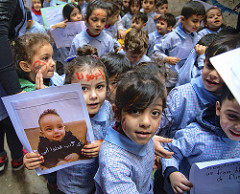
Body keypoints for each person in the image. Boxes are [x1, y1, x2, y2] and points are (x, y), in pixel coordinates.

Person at [24, 50, 113, 193]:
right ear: (68, 89)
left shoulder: (108, 109)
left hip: (100, 183)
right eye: (83, 88)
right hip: (71, 186)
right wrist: (30, 158)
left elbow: (118, 137)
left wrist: (104, 144)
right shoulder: (58, 114)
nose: (94, 96)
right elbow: (40, 145)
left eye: (99, 86)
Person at [94, 69, 166, 193]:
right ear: (117, 113)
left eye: (155, 113)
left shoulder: (138, 134)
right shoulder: (113, 164)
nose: (146, 122)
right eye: (135, 111)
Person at [161, 84, 240, 194]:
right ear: (218, 108)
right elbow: (170, 152)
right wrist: (172, 172)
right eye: (232, 116)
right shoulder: (194, 134)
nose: (238, 126)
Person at [158, 34, 240, 138]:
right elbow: (157, 127)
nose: (213, 74)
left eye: (221, 71)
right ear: (204, 62)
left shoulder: (235, 102)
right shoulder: (182, 96)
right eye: (210, 66)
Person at [0, 0, 27, 172]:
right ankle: (13, 157)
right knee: (11, 120)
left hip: (7, 71)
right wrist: (17, 93)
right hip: (6, 76)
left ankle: (13, 157)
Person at [152, 1, 205, 76]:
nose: (198, 25)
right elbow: (155, 53)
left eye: (200, 21)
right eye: (195, 21)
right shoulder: (172, 36)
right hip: (170, 76)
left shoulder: (196, 37)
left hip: (185, 76)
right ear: (183, 19)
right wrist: (166, 58)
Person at [51, 3, 82, 69]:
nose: (78, 16)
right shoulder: (60, 29)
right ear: (67, 18)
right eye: (74, 15)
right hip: (64, 64)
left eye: (79, 13)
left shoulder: (84, 27)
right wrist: (55, 27)